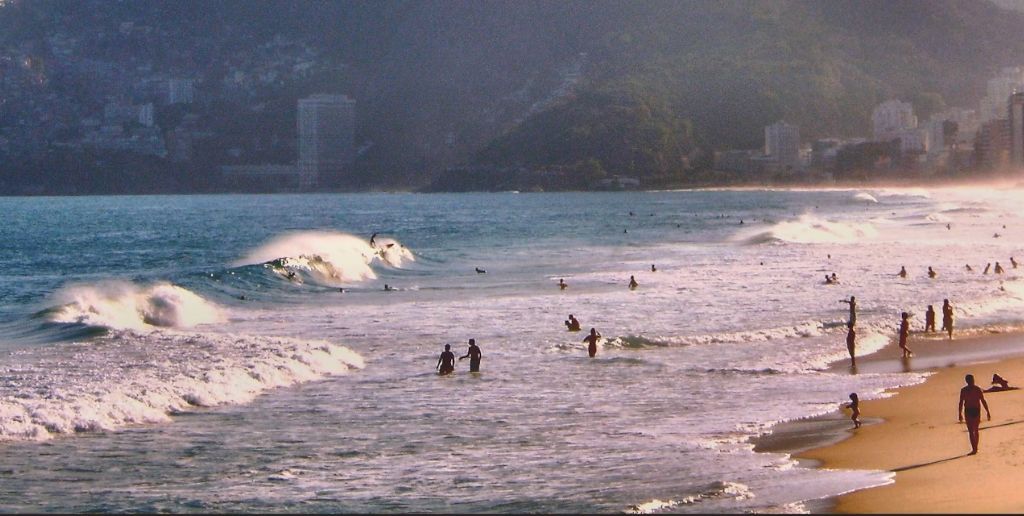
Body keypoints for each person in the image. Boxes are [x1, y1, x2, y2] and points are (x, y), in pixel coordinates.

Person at [958, 374, 991, 455]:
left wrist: (987, 411)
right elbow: (961, 402)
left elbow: (983, 400)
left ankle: (975, 448)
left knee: (974, 430)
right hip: (971, 410)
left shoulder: (971, 390)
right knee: (973, 430)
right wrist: (959, 413)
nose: (972, 381)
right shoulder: (973, 389)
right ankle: (975, 448)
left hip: (972, 410)